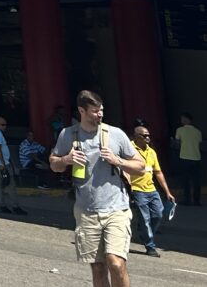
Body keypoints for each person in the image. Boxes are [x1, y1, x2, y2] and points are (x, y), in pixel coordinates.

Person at [50, 90, 145, 287]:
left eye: (101, 110)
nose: (99, 114)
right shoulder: (68, 134)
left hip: (116, 210)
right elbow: (53, 163)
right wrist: (66, 160)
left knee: (116, 263)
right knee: (98, 267)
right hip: (86, 212)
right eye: (94, 111)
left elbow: (141, 166)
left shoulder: (116, 134)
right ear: (81, 111)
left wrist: (117, 160)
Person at [129, 123, 174, 256]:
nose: (148, 138)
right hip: (137, 189)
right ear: (137, 137)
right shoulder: (129, 149)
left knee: (158, 214)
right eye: (144, 136)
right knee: (145, 218)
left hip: (151, 189)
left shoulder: (151, 151)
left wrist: (167, 192)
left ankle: (143, 232)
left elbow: (158, 172)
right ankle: (150, 246)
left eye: (149, 135)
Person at [0, 116, 25, 215]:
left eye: (5, 125)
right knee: (11, 185)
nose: (5, 127)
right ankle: (15, 206)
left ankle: (2, 205)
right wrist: (3, 163)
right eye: (2, 125)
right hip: (2, 163)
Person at [173, 112, 203, 207]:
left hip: (184, 157)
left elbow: (177, 144)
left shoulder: (180, 130)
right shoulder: (198, 131)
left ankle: (187, 200)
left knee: (185, 180)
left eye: (183, 119)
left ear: (187, 120)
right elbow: (199, 143)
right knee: (196, 181)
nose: (181, 120)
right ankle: (197, 200)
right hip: (196, 157)